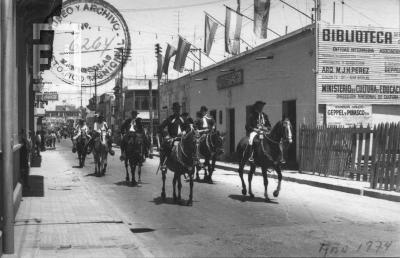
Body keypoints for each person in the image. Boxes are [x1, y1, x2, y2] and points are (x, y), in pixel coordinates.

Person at [158, 102, 188, 168]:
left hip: (183, 138)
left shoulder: (184, 119)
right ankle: (164, 163)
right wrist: (166, 136)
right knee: (165, 147)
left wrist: (184, 132)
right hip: (173, 138)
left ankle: (193, 162)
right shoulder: (170, 119)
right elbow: (161, 127)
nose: (177, 111)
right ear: (173, 110)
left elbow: (188, 128)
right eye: (176, 109)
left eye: (178, 109)